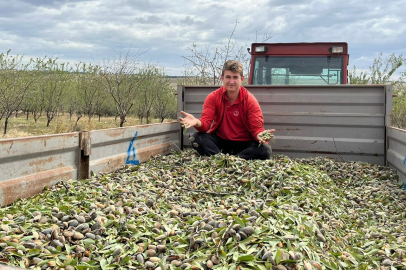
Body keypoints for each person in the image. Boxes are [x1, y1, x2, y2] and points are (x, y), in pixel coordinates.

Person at [179, 60, 274, 160]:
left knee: (265, 149)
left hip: (243, 145)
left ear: (242, 79)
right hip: (221, 143)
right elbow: (205, 125)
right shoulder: (213, 97)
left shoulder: (250, 100)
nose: (231, 81)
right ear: (222, 78)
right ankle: (223, 159)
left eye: (235, 77)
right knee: (197, 138)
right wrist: (197, 122)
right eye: (228, 77)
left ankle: (232, 161)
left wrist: (260, 135)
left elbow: (256, 128)